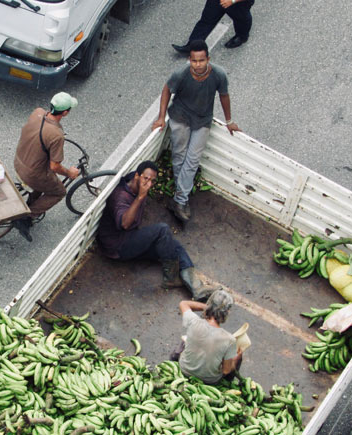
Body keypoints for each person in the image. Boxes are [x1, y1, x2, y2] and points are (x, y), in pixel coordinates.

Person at [97, 160, 219, 301]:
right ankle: (171, 278)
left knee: (174, 246)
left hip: (131, 236)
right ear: (137, 176)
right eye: (145, 178)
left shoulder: (137, 181)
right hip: (118, 246)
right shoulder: (120, 197)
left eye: (152, 181)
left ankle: (197, 288)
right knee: (162, 229)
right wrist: (141, 197)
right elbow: (124, 224)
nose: (148, 184)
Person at [152, 40, 241, 224]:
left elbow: (224, 95)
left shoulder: (218, 75)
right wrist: (161, 117)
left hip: (202, 120)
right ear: (189, 60)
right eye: (194, 61)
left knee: (192, 160)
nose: (198, 65)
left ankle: (179, 200)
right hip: (180, 117)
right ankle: (180, 199)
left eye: (201, 60)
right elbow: (167, 90)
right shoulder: (181, 74)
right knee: (179, 156)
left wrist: (229, 121)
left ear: (208, 59)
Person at [13, 92, 80, 242]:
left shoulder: (37, 112)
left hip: (18, 161)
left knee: (43, 181)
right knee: (59, 192)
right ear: (65, 112)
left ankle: (31, 201)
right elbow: (54, 166)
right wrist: (69, 173)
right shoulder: (56, 135)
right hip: (32, 174)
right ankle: (26, 217)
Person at [171, 289, 243, 384]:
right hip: (209, 380)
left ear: (209, 304)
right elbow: (226, 370)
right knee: (237, 356)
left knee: (184, 341)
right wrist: (236, 358)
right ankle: (228, 381)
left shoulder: (193, 321)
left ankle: (173, 358)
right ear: (227, 313)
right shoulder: (229, 340)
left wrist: (208, 307)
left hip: (185, 370)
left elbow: (183, 303)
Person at [172, 0, 255, 53]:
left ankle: (241, 36)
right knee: (207, 20)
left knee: (241, 19)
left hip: (238, 3)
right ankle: (193, 45)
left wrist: (232, 1)